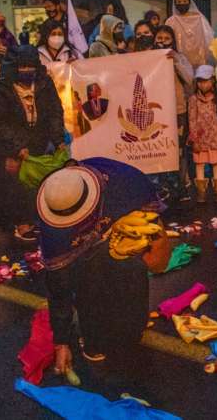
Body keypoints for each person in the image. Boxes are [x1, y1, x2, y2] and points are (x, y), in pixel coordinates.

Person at [40, 158, 169, 369]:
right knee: (89, 278)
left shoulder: (125, 181)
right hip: (87, 268)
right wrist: (61, 342)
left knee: (131, 269)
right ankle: (94, 338)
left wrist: (153, 249)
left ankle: (133, 328)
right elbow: (58, 287)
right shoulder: (54, 228)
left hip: (124, 248)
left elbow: (156, 251)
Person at [0, 46, 66, 241]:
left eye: (31, 66)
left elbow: (55, 112)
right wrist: (17, 147)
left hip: (38, 141)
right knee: (13, 186)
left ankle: (39, 221)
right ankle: (20, 224)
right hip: (8, 146)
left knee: (35, 185)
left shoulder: (44, 83)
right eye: (22, 66)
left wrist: (58, 139)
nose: (27, 70)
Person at [154, 25, 195, 203]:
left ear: (173, 40)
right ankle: (164, 187)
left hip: (178, 111)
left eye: (166, 38)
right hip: (156, 113)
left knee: (179, 150)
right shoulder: (149, 57)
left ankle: (182, 185)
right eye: (159, 38)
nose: (162, 42)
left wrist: (176, 61)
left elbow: (189, 79)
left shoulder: (180, 57)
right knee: (159, 150)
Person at [188, 65, 217, 203]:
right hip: (200, 138)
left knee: (216, 163)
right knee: (199, 164)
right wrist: (194, 138)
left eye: (206, 81)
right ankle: (201, 192)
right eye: (200, 81)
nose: (203, 84)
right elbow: (192, 119)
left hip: (216, 137)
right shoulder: (193, 99)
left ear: (212, 81)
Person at [165, 0, 214, 68]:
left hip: (199, 58)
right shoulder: (170, 21)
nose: (182, 4)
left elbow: (208, 38)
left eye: (185, 1)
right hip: (179, 60)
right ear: (175, 4)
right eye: (179, 2)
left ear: (189, 3)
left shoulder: (199, 18)